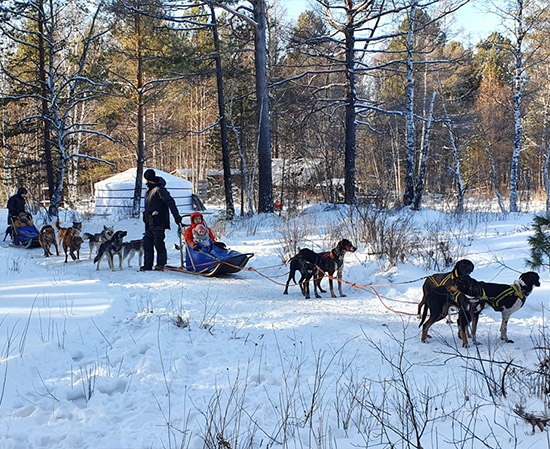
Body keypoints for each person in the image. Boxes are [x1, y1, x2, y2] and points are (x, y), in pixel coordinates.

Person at [141, 169, 182, 271]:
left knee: (158, 242)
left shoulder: (159, 189)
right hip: (149, 221)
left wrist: (177, 217)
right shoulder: (149, 189)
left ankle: (161, 264)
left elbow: (170, 202)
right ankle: (148, 265)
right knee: (147, 242)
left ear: (149, 180)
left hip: (158, 220)